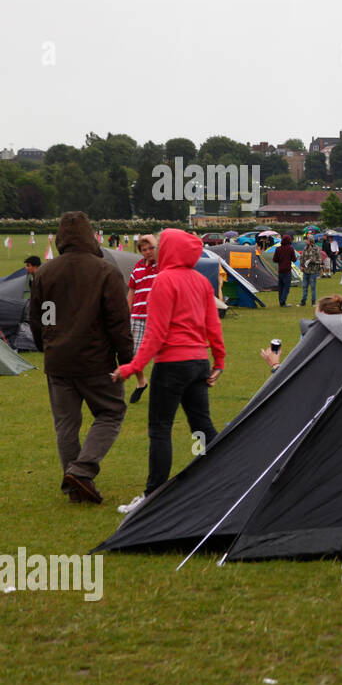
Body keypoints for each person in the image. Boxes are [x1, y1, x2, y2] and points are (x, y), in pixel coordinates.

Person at [111, 229, 224, 512]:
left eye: (160, 246)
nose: (156, 250)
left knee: (160, 430)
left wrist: (133, 367)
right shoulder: (201, 281)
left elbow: (156, 333)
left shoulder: (163, 280)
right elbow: (214, 326)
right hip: (198, 364)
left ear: (170, 249)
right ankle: (221, 483)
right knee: (202, 427)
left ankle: (153, 496)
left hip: (172, 366)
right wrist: (219, 361)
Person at [30, 212, 134, 504]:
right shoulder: (105, 272)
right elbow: (118, 322)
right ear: (91, 236)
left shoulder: (45, 273)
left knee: (66, 424)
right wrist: (127, 359)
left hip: (58, 360)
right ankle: (82, 471)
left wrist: (46, 346)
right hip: (96, 361)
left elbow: (39, 318)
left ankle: (75, 483)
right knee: (111, 412)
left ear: (61, 238)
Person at [126, 234, 159, 397]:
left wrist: (154, 242)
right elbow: (131, 292)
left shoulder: (162, 265)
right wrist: (127, 313)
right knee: (133, 355)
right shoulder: (137, 267)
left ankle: (167, 388)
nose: (148, 252)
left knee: (164, 356)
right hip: (137, 317)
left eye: (151, 248)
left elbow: (161, 251)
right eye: (144, 250)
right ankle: (141, 382)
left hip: (157, 318)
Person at [299, 235, 324, 306]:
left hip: (313, 271)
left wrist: (312, 261)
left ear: (310, 240)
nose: (306, 241)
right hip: (305, 271)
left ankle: (313, 302)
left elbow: (319, 260)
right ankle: (303, 302)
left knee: (313, 288)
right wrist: (301, 265)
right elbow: (302, 258)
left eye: (307, 240)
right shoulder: (305, 248)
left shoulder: (316, 249)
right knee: (304, 287)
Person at [273, 232, 296, 306]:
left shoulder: (278, 249)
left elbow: (274, 259)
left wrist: (280, 260)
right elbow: (294, 259)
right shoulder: (290, 249)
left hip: (280, 270)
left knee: (281, 287)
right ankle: (283, 301)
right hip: (287, 270)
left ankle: (281, 302)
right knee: (286, 287)